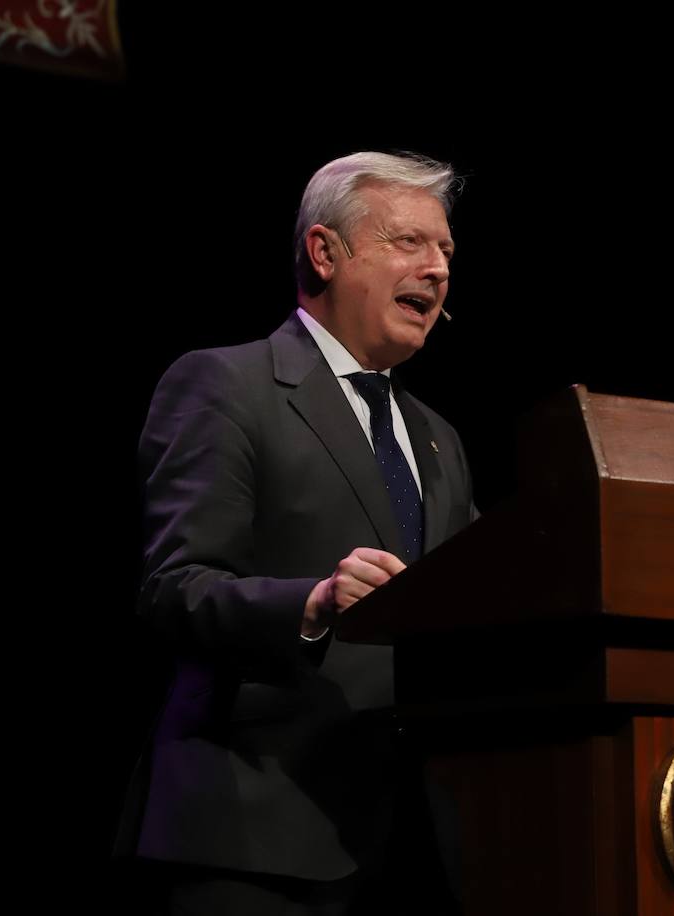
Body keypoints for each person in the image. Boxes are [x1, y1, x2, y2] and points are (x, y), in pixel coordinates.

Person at [116, 151, 477, 913]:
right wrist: (310, 604)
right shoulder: (225, 385)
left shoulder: (439, 437)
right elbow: (174, 589)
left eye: (445, 250)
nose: (438, 269)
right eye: (410, 242)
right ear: (325, 251)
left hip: (414, 844)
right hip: (256, 836)